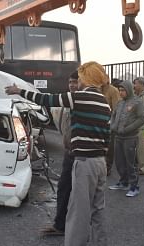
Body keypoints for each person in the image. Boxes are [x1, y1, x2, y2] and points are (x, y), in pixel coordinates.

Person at [6, 61, 111, 246]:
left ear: (86, 79)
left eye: (80, 78)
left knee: (78, 210)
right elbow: (107, 137)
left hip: (84, 162)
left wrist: (19, 91)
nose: (77, 82)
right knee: (98, 209)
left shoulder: (78, 98)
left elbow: (47, 99)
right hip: (100, 162)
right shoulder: (104, 103)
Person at [42, 71, 78, 236]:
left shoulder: (84, 102)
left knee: (82, 193)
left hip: (83, 156)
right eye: (70, 82)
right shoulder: (66, 103)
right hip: (69, 153)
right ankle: (60, 225)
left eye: (76, 82)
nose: (72, 85)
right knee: (64, 188)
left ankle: (82, 228)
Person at [108, 80, 144, 197]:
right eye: (119, 90)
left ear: (128, 90)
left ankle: (134, 186)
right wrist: (113, 126)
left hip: (130, 137)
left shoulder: (137, 102)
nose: (120, 92)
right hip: (118, 136)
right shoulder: (120, 103)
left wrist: (128, 128)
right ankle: (123, 182)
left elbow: (142, 118)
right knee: (119, 161)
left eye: (123, 90)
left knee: (131, 162)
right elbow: (113, 115)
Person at [101, 79, 120, 176]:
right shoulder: (98, 89)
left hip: (109, 123)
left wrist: (112, 123)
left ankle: (107, 167)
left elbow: (116, 109)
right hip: (98, 122)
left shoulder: (113, 91)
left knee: (109, 146)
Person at [133, 77, 144, 175]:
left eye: (136, 83)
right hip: (139, 126)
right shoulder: (139, 96)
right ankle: (141, 166)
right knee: (139, 148)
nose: (134, 86)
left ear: (142, 84)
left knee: (142, 148)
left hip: (143, 126)